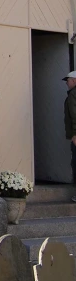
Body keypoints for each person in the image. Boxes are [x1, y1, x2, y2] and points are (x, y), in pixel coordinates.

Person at [63, 70, 76, 202]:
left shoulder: (73, 94)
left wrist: (75, 134)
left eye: (68, 80)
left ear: (74, 81)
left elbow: (74, 114)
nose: (67, 83)